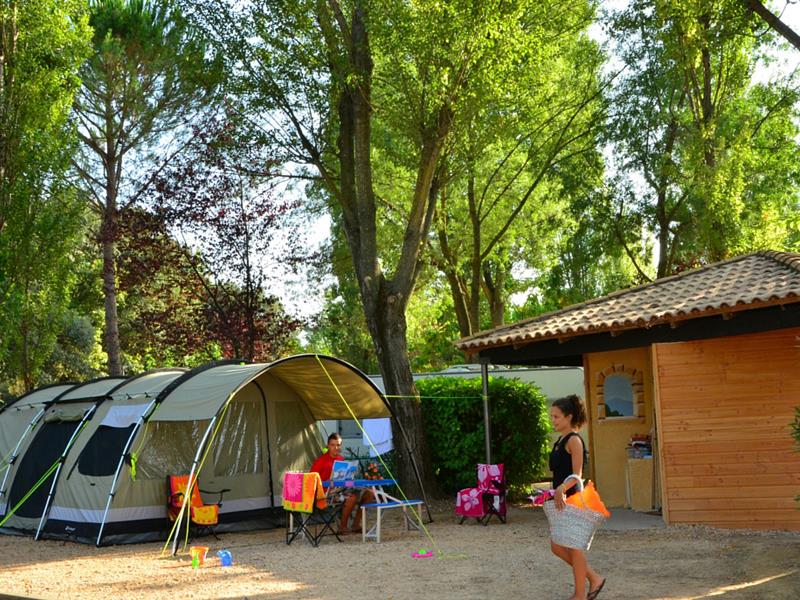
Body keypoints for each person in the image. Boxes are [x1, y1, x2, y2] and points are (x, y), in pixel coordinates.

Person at [548, 394, 606, 600]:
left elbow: (577, 474)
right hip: (561, 501)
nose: (553, 420)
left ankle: (580, 594)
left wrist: (562, 488)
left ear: (569, 417)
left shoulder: (574, 440)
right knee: (557, 546)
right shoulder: (559, 441)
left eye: (556, 416)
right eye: (552, 416)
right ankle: (594, 578)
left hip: (573, 499)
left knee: (573, 547)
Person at [310, 432, 375, 534]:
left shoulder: (341, 459)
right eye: (333, 445)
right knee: (352, 497)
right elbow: (311, 480)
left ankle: (356, 525)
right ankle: (342, 527)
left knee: (369, 493)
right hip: (326, 494)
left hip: (342, 489)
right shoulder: (320, 461)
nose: (336, 448)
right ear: (328, 446)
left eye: (338, 445)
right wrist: (325, 482)